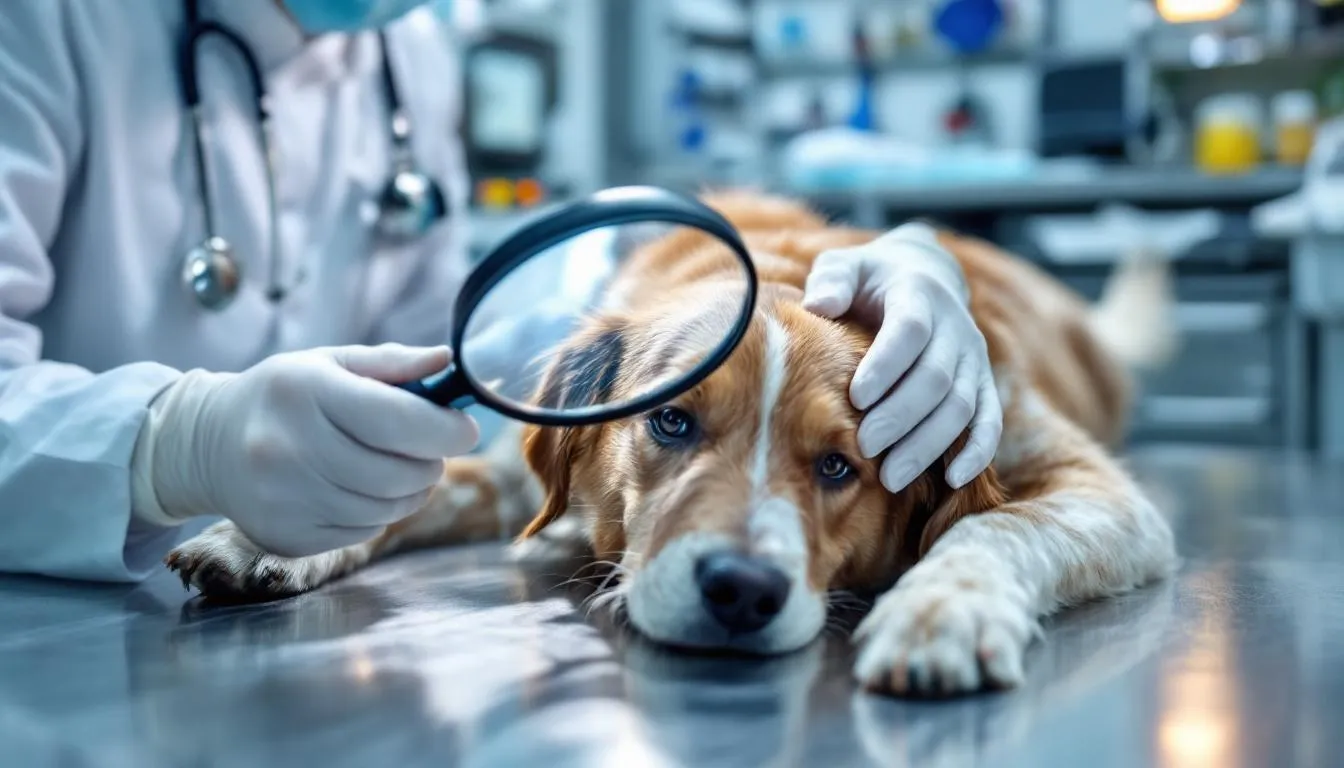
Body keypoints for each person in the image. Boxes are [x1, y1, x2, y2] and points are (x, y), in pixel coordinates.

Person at [0, 0, 1001, 584]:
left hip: (284, 586)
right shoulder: (47, 25)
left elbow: (447, 357)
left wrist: (895, 259)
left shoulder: (409, 51)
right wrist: (174, 445)